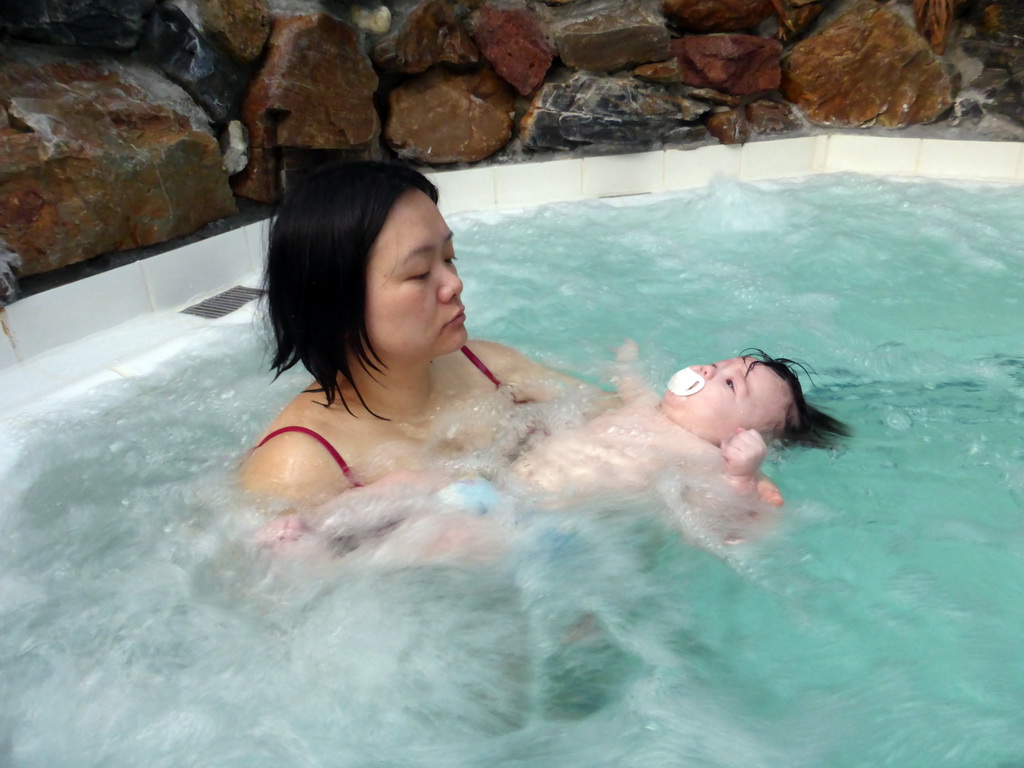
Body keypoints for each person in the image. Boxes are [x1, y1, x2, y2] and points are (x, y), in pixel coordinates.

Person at [239, 160, 606, 514]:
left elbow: (624, 420)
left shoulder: (490, 368)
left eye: (449, 257)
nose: (454, 284)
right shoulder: (299, 466)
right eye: (418, 273)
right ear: (336, 307)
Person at [509, 342, 849, 509]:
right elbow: (631, 384)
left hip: (564, 519)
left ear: (741, 435)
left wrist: (741, 478)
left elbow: (761, 519)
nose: (706, 370)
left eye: (730, 384)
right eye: (718, 365)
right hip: (517, 486)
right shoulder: (647, 405)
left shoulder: (709, 458)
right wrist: (626, 362)